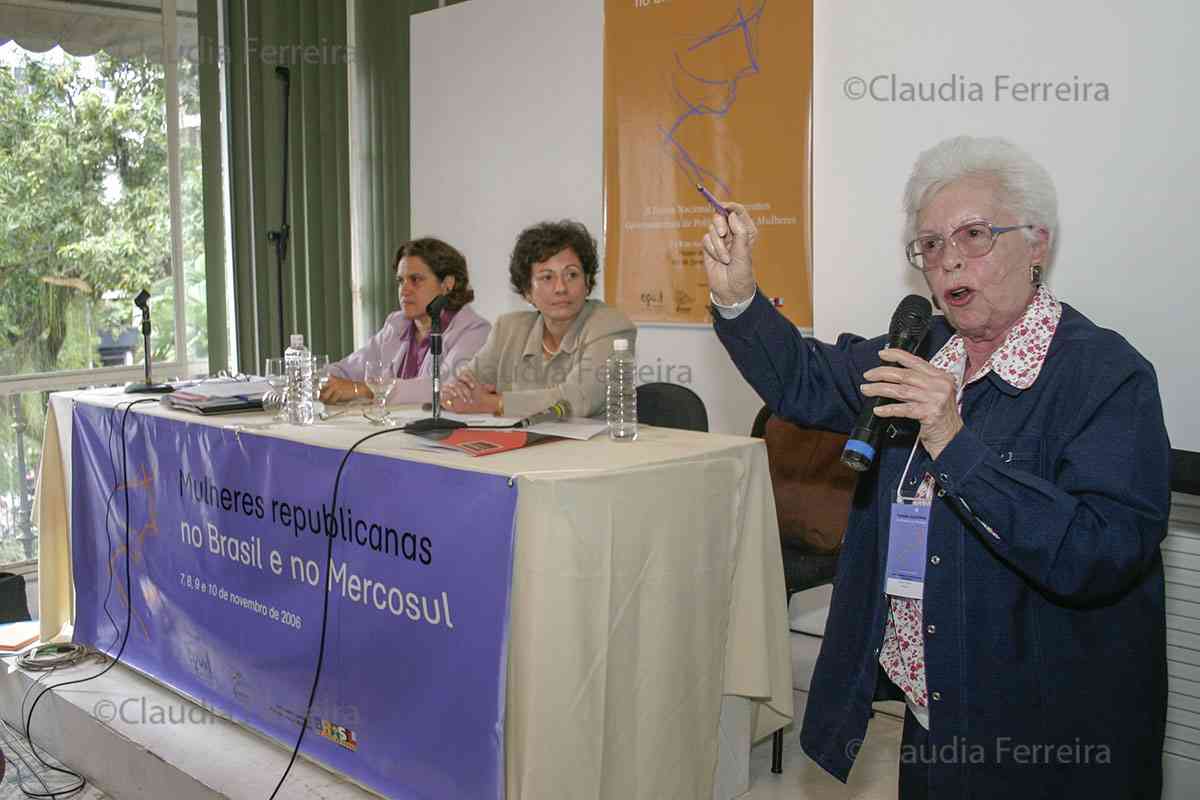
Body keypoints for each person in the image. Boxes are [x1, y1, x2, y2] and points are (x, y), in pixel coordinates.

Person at [702, 136, 1170, 799]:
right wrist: (739, 300)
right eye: (929, 243)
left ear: (1036, 244)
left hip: (1044, 736)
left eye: (974, 235)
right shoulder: (923, 352)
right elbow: (804, 380)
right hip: (933, 709)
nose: (947, 258)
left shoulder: (1105, 375)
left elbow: (1101, 552)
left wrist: (954, 441)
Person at [440, 220, 636, 418]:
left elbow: (577, 401)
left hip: (597, 439)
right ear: (527, 292)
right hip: (519, 438)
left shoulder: (611, 326)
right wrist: (453, 394)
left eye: (571, 275)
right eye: (547, 277)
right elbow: (465, 385)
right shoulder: (508, 329)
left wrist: (493, 403)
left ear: (587, 283)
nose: (561, 288)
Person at [321, 238, 490, 405]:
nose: (404, 290)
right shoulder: (396, 325)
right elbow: (347, 370)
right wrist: (318, 379)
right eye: (401, 281)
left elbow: (446, 387)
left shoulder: (474, 331)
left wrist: (366, 390)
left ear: (447, 284)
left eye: (416, 279)